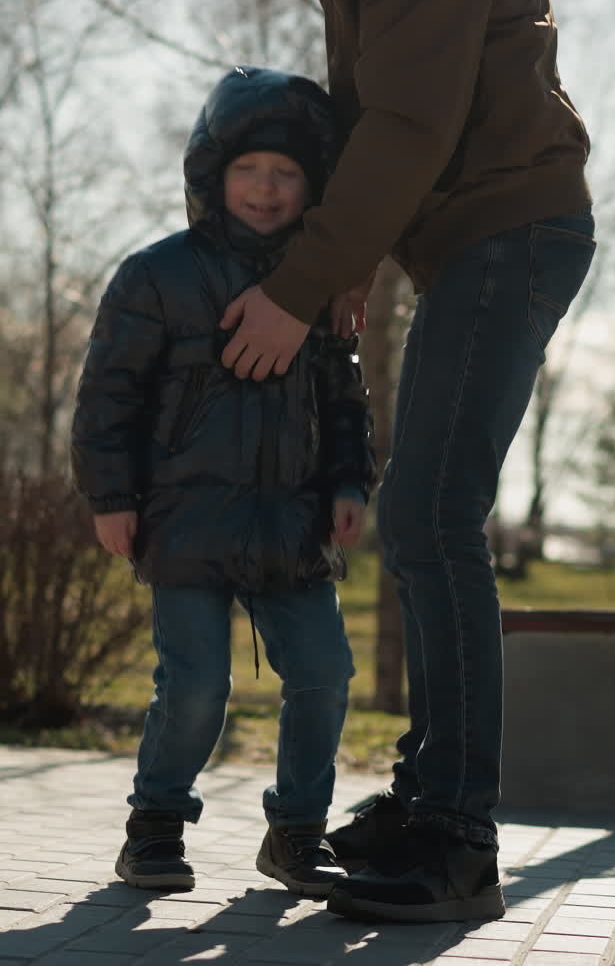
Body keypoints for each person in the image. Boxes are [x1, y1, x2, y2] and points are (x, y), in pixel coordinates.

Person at [192, 0, 596, 924]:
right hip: (466, 230)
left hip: (507, 226)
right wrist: (360, 255)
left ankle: (457, 834)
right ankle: (429, 797)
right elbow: (379, 110)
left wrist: (303, 283)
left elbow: (415, 121)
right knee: (426, 516)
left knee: (429, 513)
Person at [71, 65, 376, 898]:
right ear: (214, 176)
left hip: (294, 524)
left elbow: (345, 397)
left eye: (286, 173)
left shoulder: (319, 286)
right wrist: (110, 496)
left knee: (324, 674)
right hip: (182, 520)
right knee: (196, 685)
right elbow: (108, 396)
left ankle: (297, 834)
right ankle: (155, 828)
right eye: (249, 170)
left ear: (310, 183)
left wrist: (350, 481)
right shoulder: (156, 275)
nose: (267, 189)